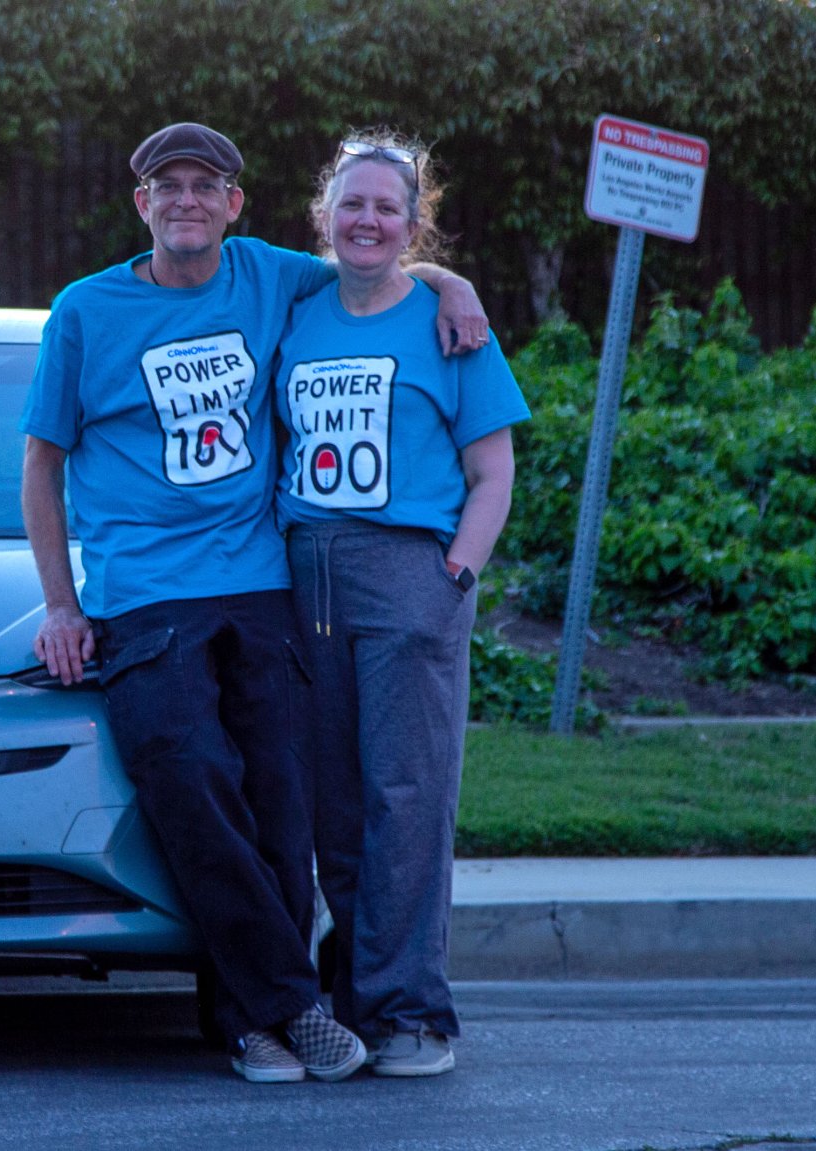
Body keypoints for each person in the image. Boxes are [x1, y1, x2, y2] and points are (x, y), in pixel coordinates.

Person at [19, 122, 488, 1084]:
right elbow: (41, 465)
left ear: (235, 206)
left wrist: (457, 284)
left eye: (207, 185)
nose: (186, 199)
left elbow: (376, 267)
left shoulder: (270, 276)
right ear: (140, 204)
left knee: (285, 797)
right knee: (190, 777)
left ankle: (251, 1017)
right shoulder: (84, 311)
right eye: (167, 185)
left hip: (263, 582)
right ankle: (285, 1005)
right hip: (144, 596)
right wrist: (62, 605)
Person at [274, 133, 529, 1077]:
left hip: (409, 573)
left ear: (414, 222)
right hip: (305, 576)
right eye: (352, 205)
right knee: (331, 807)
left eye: (388, 207)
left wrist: (454, 575)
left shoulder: (447, 324)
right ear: (324, 218)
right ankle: (353, 996)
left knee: (408, 799)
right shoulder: (297, 312)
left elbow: (493, 471)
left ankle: (413, 1013)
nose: (368, 220)